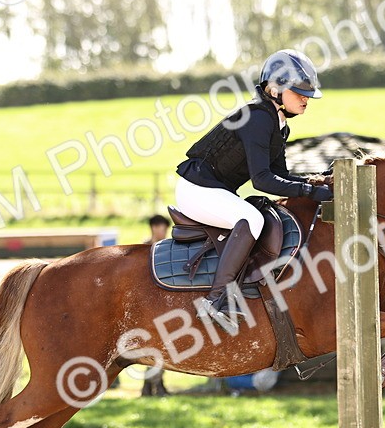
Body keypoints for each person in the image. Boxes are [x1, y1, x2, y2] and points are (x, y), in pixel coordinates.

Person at [173, 48, 334, 331]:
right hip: (196, 188)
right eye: (298, 92)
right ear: (274, 90)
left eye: (307, 93)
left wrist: (317, 181)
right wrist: (309, 193)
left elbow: (281, 175)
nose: (306, 99)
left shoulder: (277, 123)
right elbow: (262, 180)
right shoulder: (258, 118)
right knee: (252, 219)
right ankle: (215, 300)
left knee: (254, 215)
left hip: (212, 188)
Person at [141, 214, 171, 397]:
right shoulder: (144, 249)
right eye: (160, 227)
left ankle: (154, 386)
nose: (162, 231)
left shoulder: (168, 247)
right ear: (153, 228)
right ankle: (153, 387)